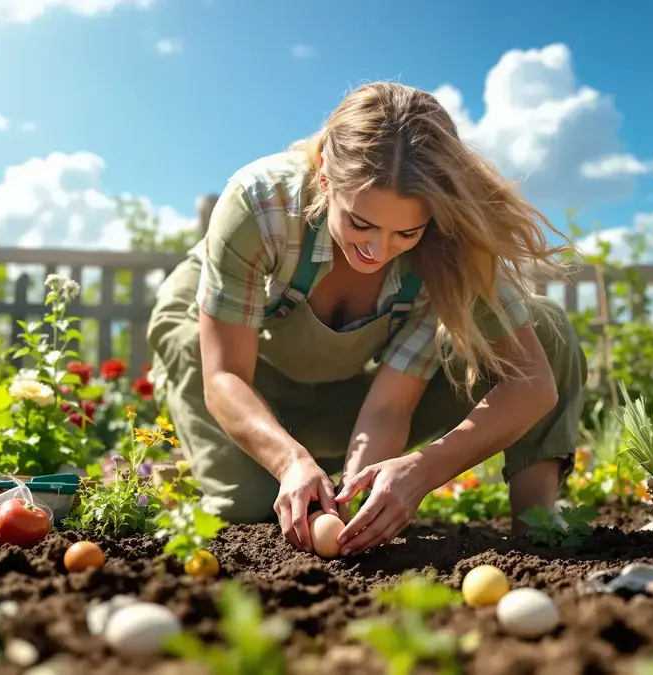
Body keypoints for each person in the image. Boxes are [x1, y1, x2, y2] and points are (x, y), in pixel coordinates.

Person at [147, 81, 587, 557]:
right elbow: (226, 374)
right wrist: (290, 460)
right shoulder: (260, 203)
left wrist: (395, 482)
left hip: (343, 379)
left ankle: (539, 530)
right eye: (360, 223)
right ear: (324, 178)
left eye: (406, 232)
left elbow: (390, 407)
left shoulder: (445, 246)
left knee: (545, 325)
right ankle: (232, 457)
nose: (377, 251)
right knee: (250, 507)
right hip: (230, 359)